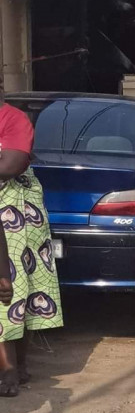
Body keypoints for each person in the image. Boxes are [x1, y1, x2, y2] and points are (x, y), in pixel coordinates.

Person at [0, 98, 63, 397]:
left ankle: (12, 369)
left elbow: (10, 164)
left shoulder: (12, 119)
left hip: (13, 214)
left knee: (12, 288)